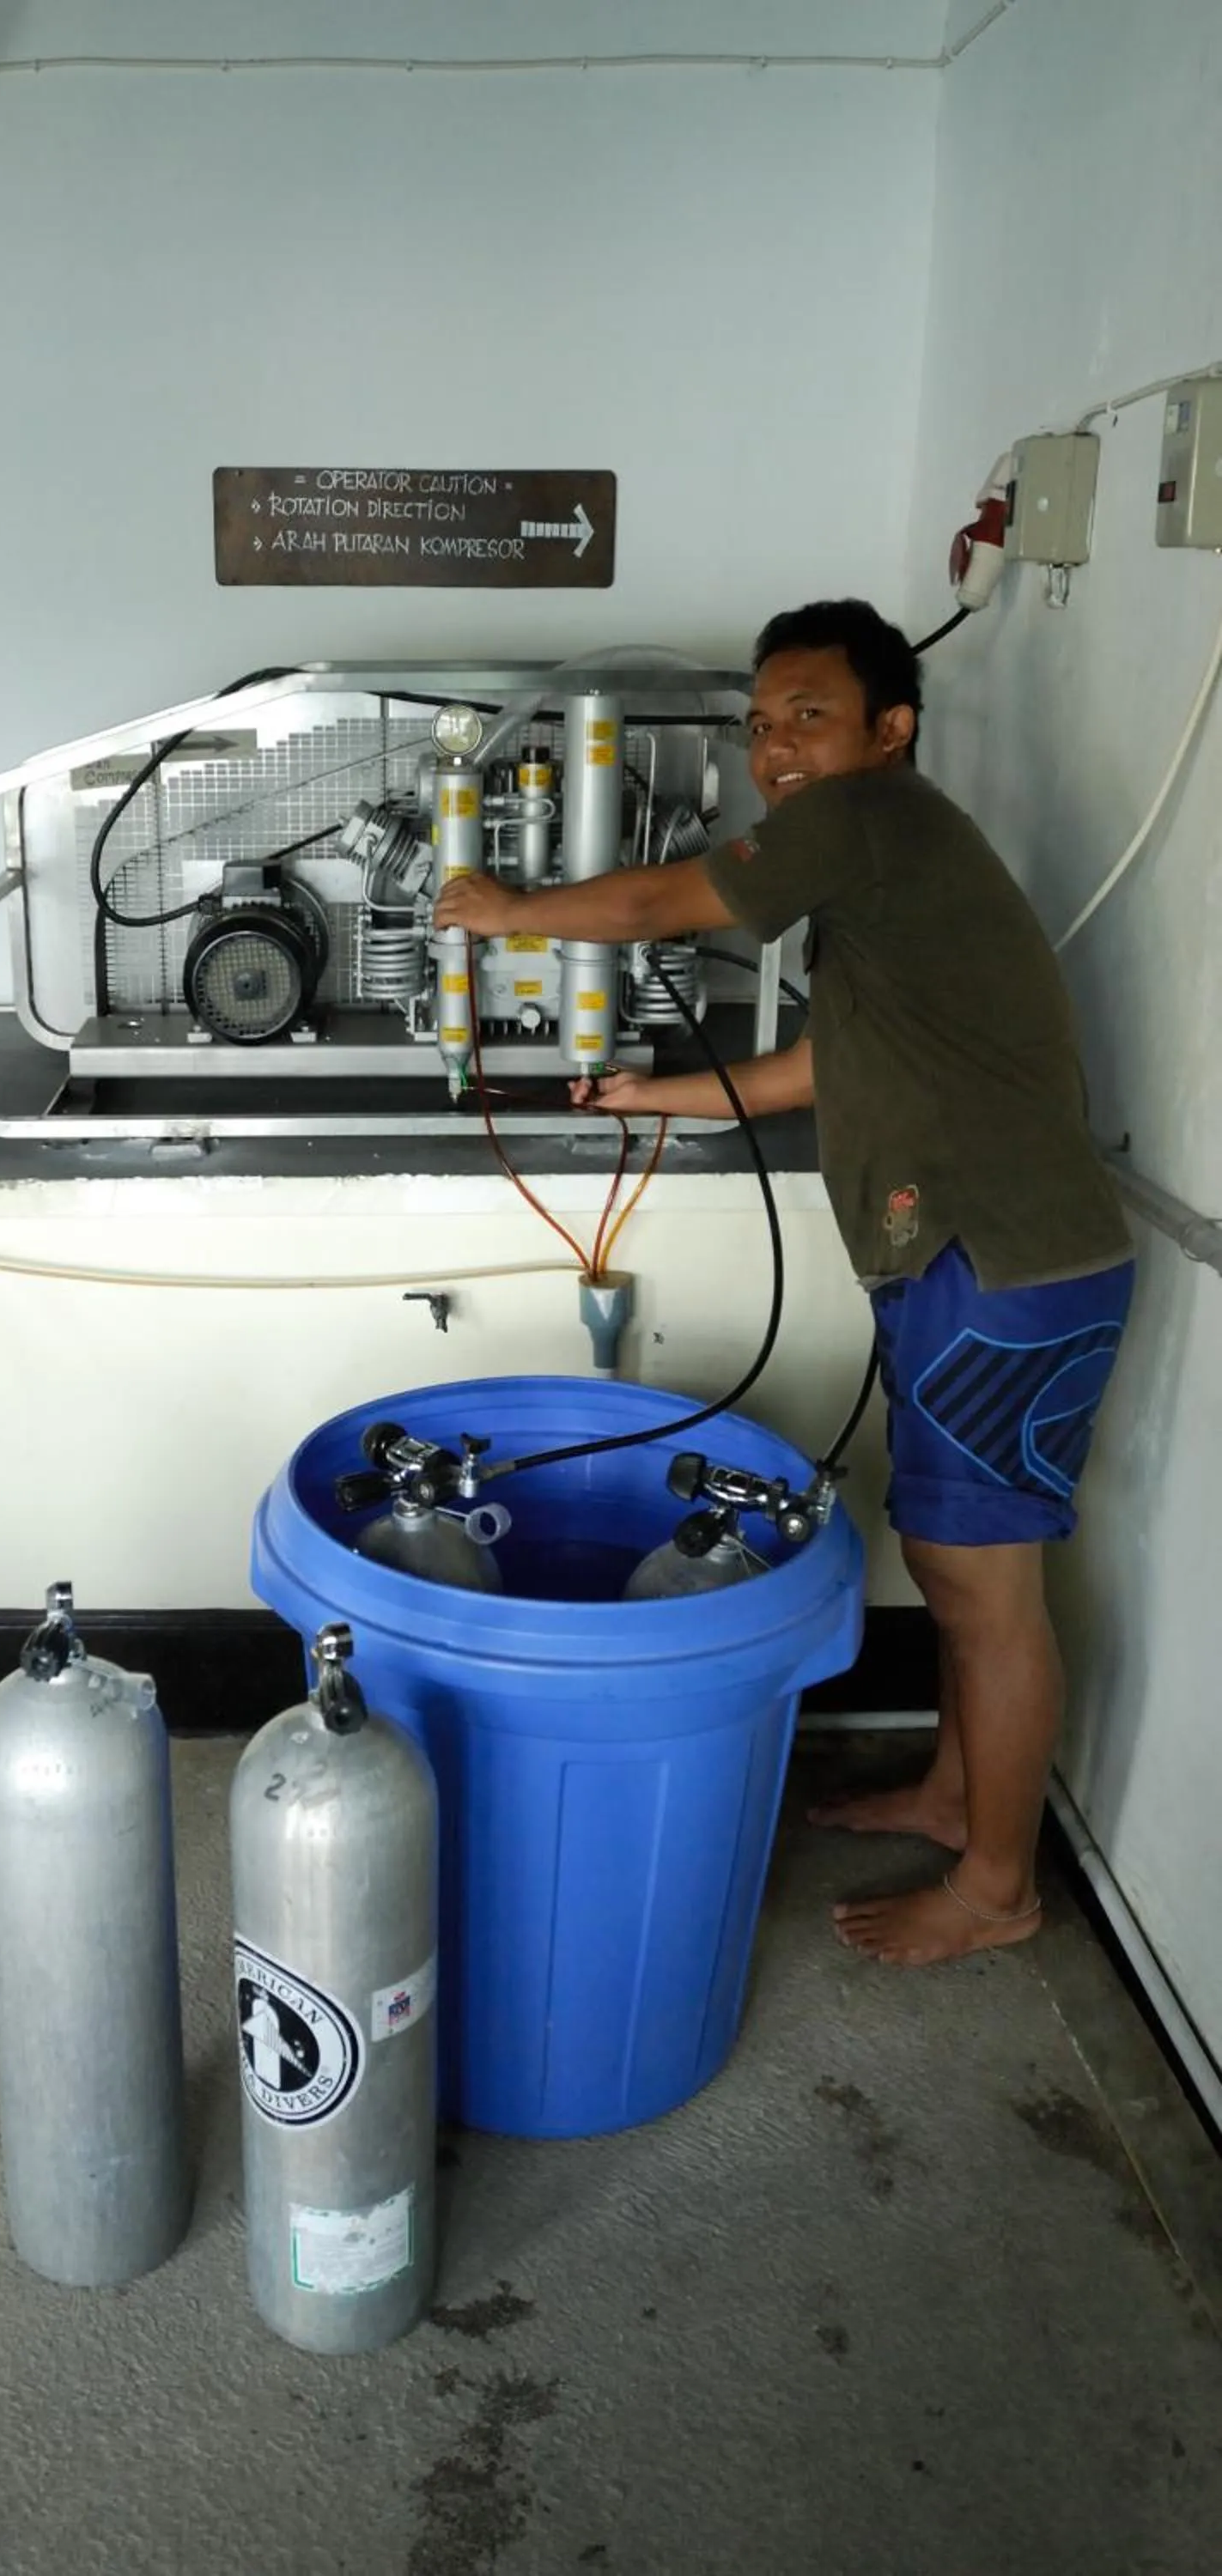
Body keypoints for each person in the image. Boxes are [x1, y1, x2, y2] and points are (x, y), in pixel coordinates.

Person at [434, 599, 1134, 1968]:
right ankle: (952, 1798)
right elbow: (822, 1067)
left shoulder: (869, 819)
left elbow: (659, 898)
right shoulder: (890, 873)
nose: (777, 749)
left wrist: (507, 910)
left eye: (807, 716)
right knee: (950, 1563)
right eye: (760, 725)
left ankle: (1001, 1889)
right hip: (976, 1262)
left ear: (890, 729)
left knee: (984, 1585)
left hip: (1005, 1264)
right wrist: (666, 1098)